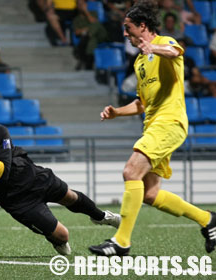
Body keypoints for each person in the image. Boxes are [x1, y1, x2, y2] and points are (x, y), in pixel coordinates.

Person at [89, 0, 216, 256]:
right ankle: (208, 220)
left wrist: (154, 48)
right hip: (153, 126)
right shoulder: (139, 62)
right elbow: (141, 103)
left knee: (130, 171)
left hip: (169, 123)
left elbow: (176, 52)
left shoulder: (165, 43)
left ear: (142, 25)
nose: (125, 34)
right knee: (150, 194)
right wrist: (117, 112)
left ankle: (121, 241)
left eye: (128, 28)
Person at [0, 90, 121, 255]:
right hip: (16, 201)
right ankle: (53, 238)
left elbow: (2, 173)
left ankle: (101, 217)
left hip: (34, 177)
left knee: (71, 197)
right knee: (62, 236)